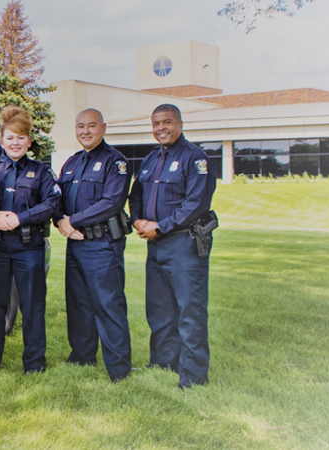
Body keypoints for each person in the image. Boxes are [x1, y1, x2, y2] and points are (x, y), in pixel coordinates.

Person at [128, 104, 217, 389]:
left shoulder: (196, 159)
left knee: (189, 312)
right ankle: (164, 363)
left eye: (167, 122)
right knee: (159, 310)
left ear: (180, 123)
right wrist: (138, 220)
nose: (161, 128)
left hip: (184, 246)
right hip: (155, 247)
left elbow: (195, 204)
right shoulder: (151, 159)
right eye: (156, 123)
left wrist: (160, 226)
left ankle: (193, 376)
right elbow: (136, 193)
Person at [0, 105, 60, 373]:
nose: (15, 142)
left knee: (32, 305)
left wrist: (20, 218)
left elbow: (51, 204)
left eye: (20, 137)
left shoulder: (42, 173)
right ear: (1, 141)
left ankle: (34, 364)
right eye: (10, 137)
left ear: (29, 141)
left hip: (28, 247)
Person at [54, 108, 132, 382]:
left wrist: (72, 221)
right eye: (80, 127)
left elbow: (111, 203)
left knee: (108, 304)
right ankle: (82, 356)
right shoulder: (72, 163)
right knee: (79, 304)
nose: (85, 131)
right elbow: (57, 199)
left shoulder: (116, 162)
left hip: (102, 245)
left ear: (103, 128)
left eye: (91, 126)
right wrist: (60, 222)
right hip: (75, 244)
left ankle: (119, 368)